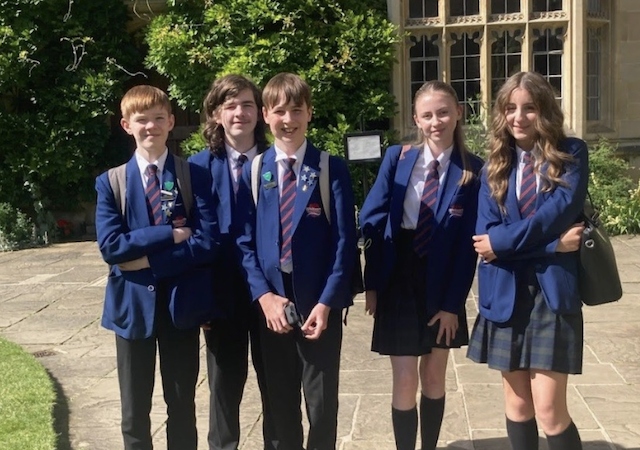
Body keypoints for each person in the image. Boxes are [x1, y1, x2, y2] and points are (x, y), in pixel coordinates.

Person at [235, 72, 357, 450]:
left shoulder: (328, 168)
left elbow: (345, 243)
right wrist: (265, 298)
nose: (289, 120)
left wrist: (327, 302)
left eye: (297, 110)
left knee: (321, 405)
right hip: (273, 305)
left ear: (310, 114)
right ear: (266, 115)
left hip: (317, 302)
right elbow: (244, 242)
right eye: (280, 111)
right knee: (280, 403)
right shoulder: (255, 171)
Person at [359, 80, 483, 450]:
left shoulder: (473, 170)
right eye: (427, 115)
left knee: (433, 376)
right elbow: (372, 216)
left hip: (443, 279)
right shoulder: (397, 159)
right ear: (416, 118)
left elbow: (468, 248)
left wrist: (451, 306)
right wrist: (373, 284)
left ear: (458, 113)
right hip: (399, 275)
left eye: (443, 112)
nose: (436, 122)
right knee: (404, 379)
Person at [467, 71, 588, 450]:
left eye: (530, 108)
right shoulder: (493, 168)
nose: (519, 117)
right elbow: (484, 238)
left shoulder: (571, 154)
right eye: (511, 108)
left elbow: (554, 216)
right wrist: (552, 247)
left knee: (550, 409)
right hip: (505, 294)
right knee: (518, 405)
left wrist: (503, 243)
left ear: (545, 111)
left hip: (552, 294)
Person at [95, 85, 219, 450]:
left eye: (158, 119)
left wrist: (148, 260)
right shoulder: (111, 182)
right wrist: (169, 233)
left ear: (171, 121)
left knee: (181, 404)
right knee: (134, 409)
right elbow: (112, 247)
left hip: (180, 308)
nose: (151, 127)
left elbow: (207, 242)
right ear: (126, 125)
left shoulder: (192, 176)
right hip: (131, 311)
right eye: (142, 120)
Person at [188, 74, 275, 450]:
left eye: (247, 104)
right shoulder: (195, 169)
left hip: (273, 291)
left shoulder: (280, 161)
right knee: (224, 386)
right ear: (216, 113)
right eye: (230, 105)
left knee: (277, 384)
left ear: (260, 112)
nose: (240, 113)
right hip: (221, 296)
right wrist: (199, 301)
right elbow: (192, 236)